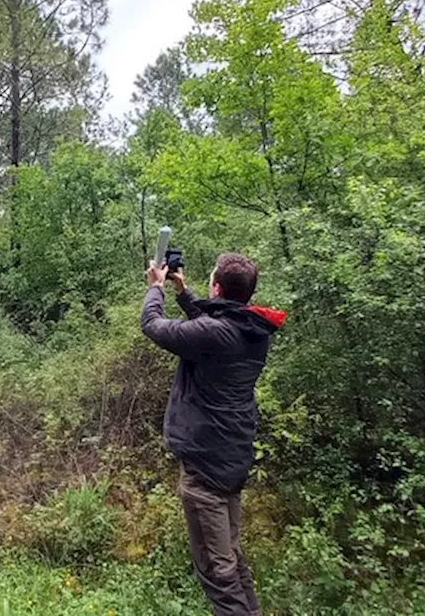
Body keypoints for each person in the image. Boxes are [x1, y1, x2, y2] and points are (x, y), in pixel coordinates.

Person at [140, 253, 285, 616]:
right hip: (230, 458)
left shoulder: (219, 332)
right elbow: (214, 327)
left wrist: (156, 287)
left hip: (205, 469)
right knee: (231, 559)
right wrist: (183, 292)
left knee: (217, 571)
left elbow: (153, 325)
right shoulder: (252, 330)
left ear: (217, 287)